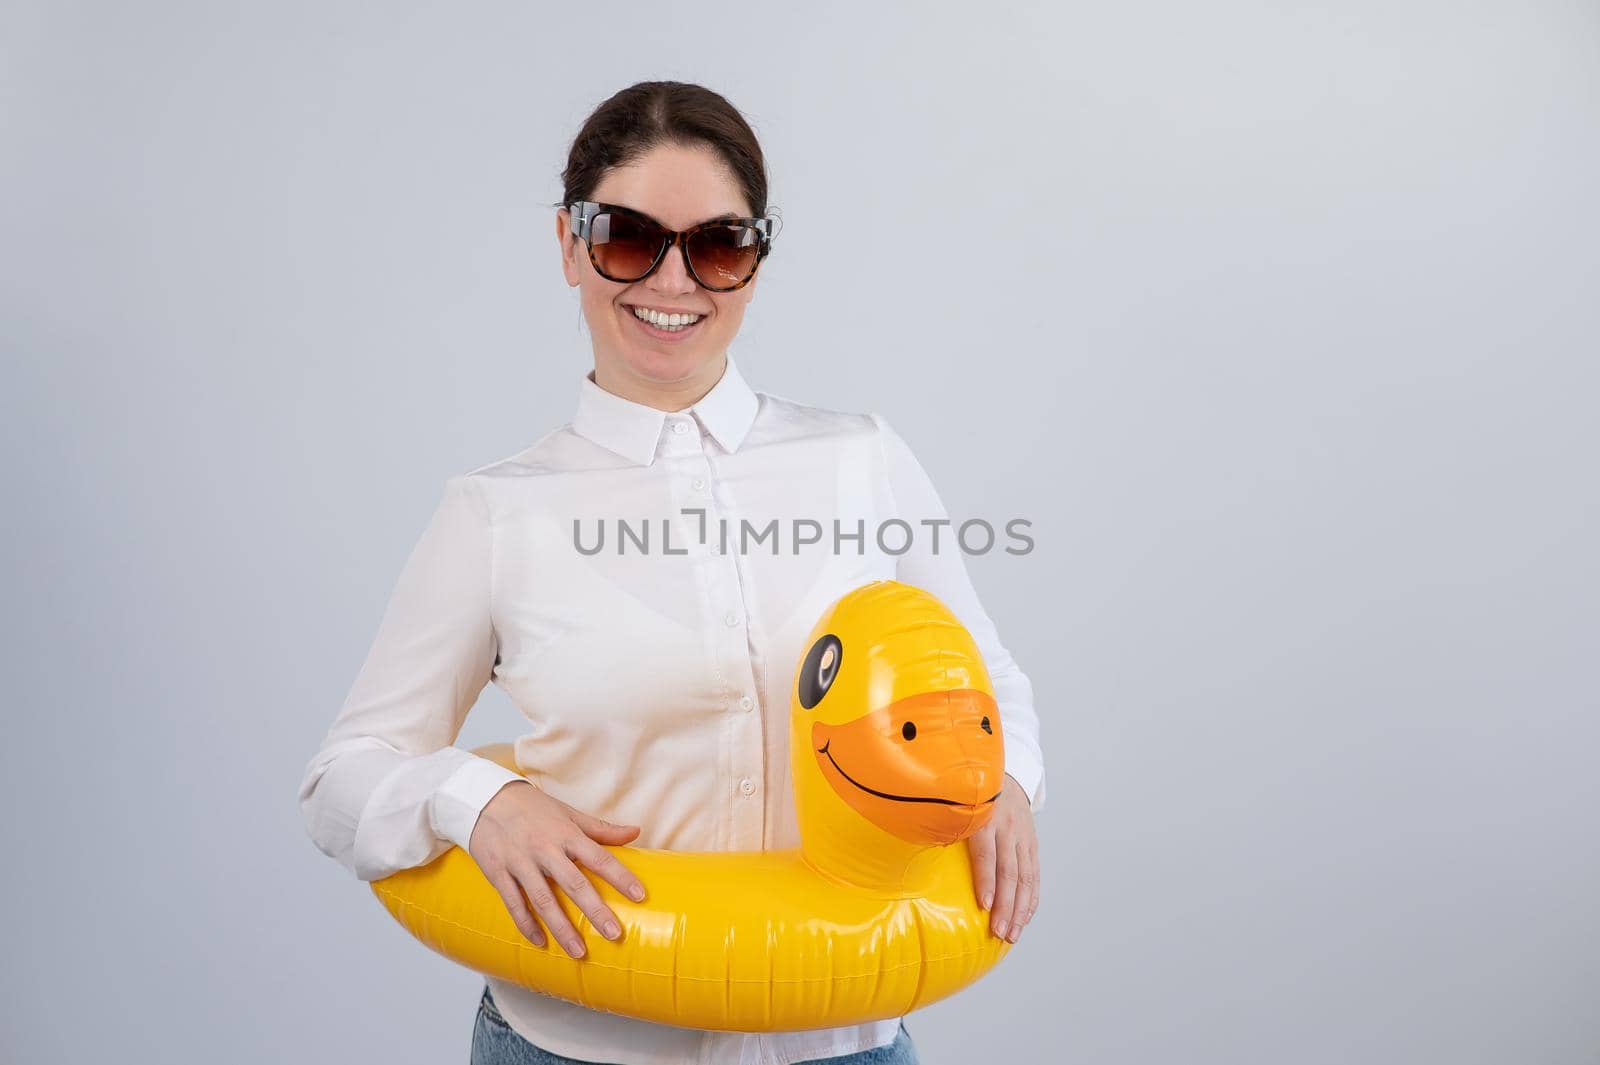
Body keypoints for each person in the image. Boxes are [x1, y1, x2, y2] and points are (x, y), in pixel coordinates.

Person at [299, 79, 1046, 1065]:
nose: (672, 279)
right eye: (626, 237)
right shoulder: (495, 514)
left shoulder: (861, 460)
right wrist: (477, 799)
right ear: (569, 246)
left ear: (757, 258)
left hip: (843, 1041)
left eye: (718, 244)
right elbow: (340, 782)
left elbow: (981, 679)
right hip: (579, 1045)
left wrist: (1011, 788)